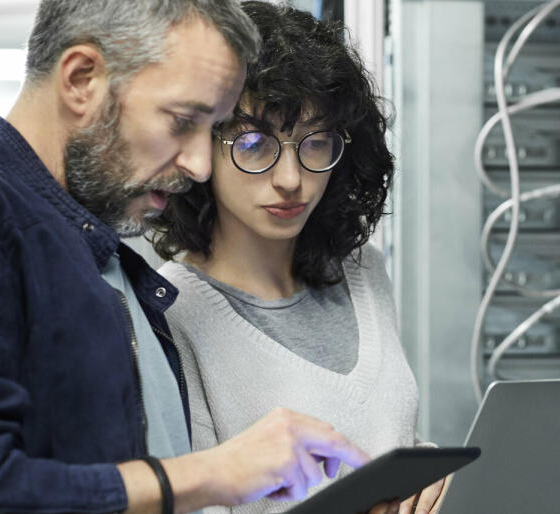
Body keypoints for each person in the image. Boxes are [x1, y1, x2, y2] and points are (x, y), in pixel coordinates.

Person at [0, 1, 370, 512]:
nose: (199, 166)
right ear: (82, 79)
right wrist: (211, 473)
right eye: (182, 121)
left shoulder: (102, 256)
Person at [148, 3, 442, 513]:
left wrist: (431, 474)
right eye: (256, 143)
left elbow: (386, 434)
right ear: (201, 144)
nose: (290, 178)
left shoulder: (364, 271)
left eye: (316, 141)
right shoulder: (172, 313)